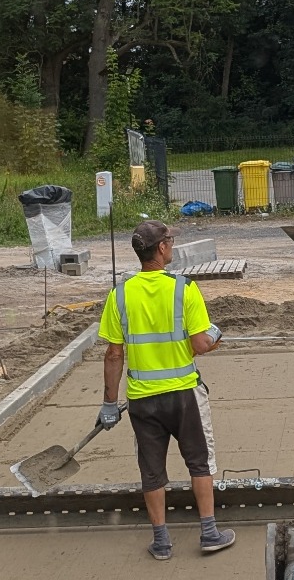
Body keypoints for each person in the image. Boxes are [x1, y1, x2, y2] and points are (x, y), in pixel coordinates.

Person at [97, 218, 235, 561]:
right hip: (184, 394)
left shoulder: (119, 295)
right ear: (161, 248)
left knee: (152, 469)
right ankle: (209, 532)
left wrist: (109, 404)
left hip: (143, 400)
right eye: (170, 241)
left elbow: (114, 353)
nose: (171, 245)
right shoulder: (184, 289)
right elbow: (201, 344)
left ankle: (161, 541)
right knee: (199, 463)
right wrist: (216, 335)